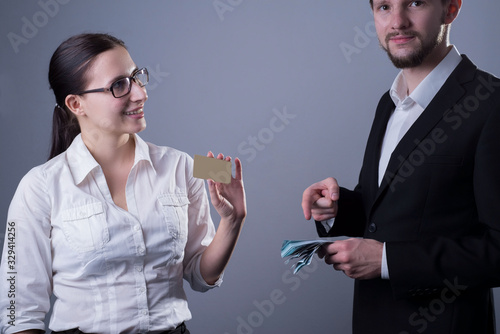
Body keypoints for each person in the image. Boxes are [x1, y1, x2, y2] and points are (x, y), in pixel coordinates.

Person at [0, 33, 247, 334]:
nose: (140, 93)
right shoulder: (37, 187)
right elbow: (18, 313)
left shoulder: (182, 166)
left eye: (136, 77)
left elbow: (199, 276)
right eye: (119, 85)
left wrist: (232, 221)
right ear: (76, 103)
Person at [302, 0, 500, 333]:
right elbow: (384, 209)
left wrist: (385, 261)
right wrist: (337, 208)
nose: (397, 21)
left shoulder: (492, 104)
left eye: (415, 3)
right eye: (383, 7)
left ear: (450, 8)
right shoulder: (388, 103)